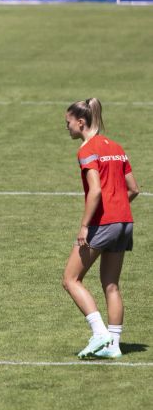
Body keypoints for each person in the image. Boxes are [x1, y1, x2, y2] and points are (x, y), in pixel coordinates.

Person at [62, 98, 139, 359]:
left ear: (80, 122)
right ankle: (114, 345)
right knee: (111, 284)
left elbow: (95, 190)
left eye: (68, 123)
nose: (67, 127)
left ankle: (99, 333)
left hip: (102, 224)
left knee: (70, 280)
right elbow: (134, 189)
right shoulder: (116, 147)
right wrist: (117, 210)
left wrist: (85, 226)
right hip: (124, 223)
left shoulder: (87, 150)